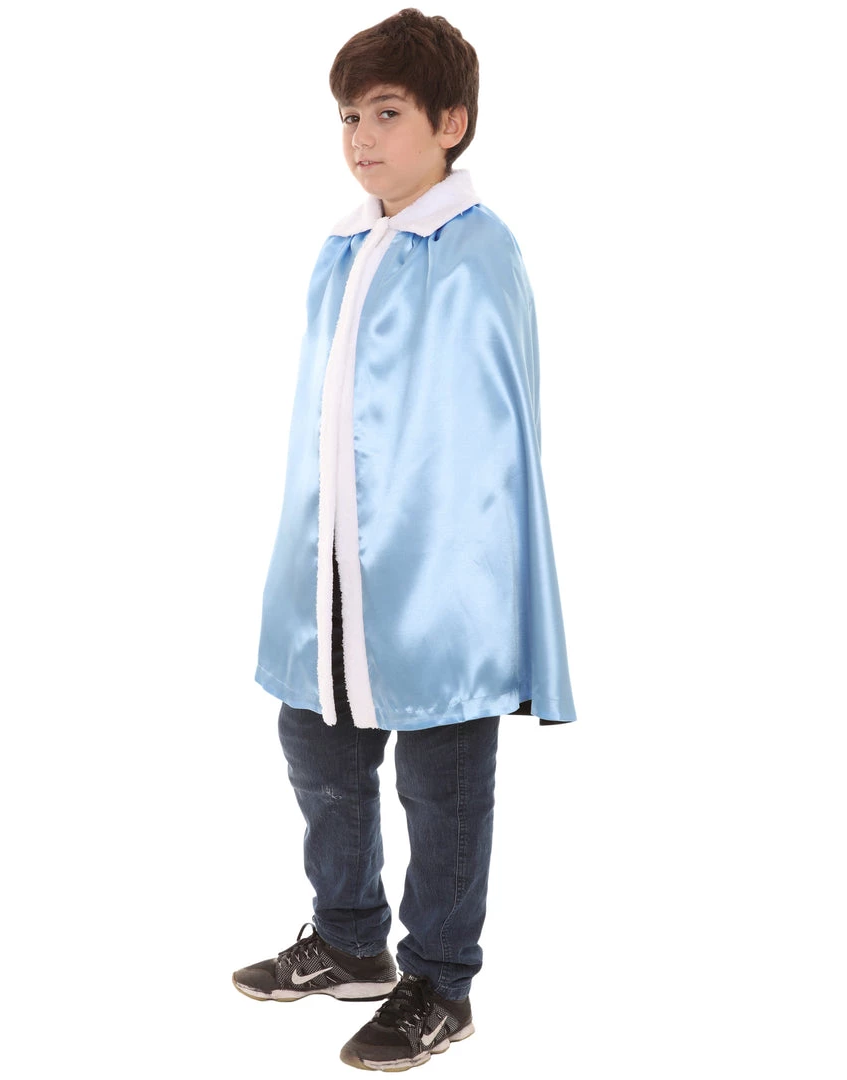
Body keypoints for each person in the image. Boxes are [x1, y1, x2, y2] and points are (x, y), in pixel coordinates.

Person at [232, 7, 577, 1072]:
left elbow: (489, 436)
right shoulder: (343, 247)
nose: (360, 137)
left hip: (439, 581)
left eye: (386, 113)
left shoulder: (475, 252)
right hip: (334, 565)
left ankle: (440, 980)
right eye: (348, 116)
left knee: (443, 778)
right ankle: (348, 939)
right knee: (316, 745)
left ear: (450, 123)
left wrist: (454, 580)